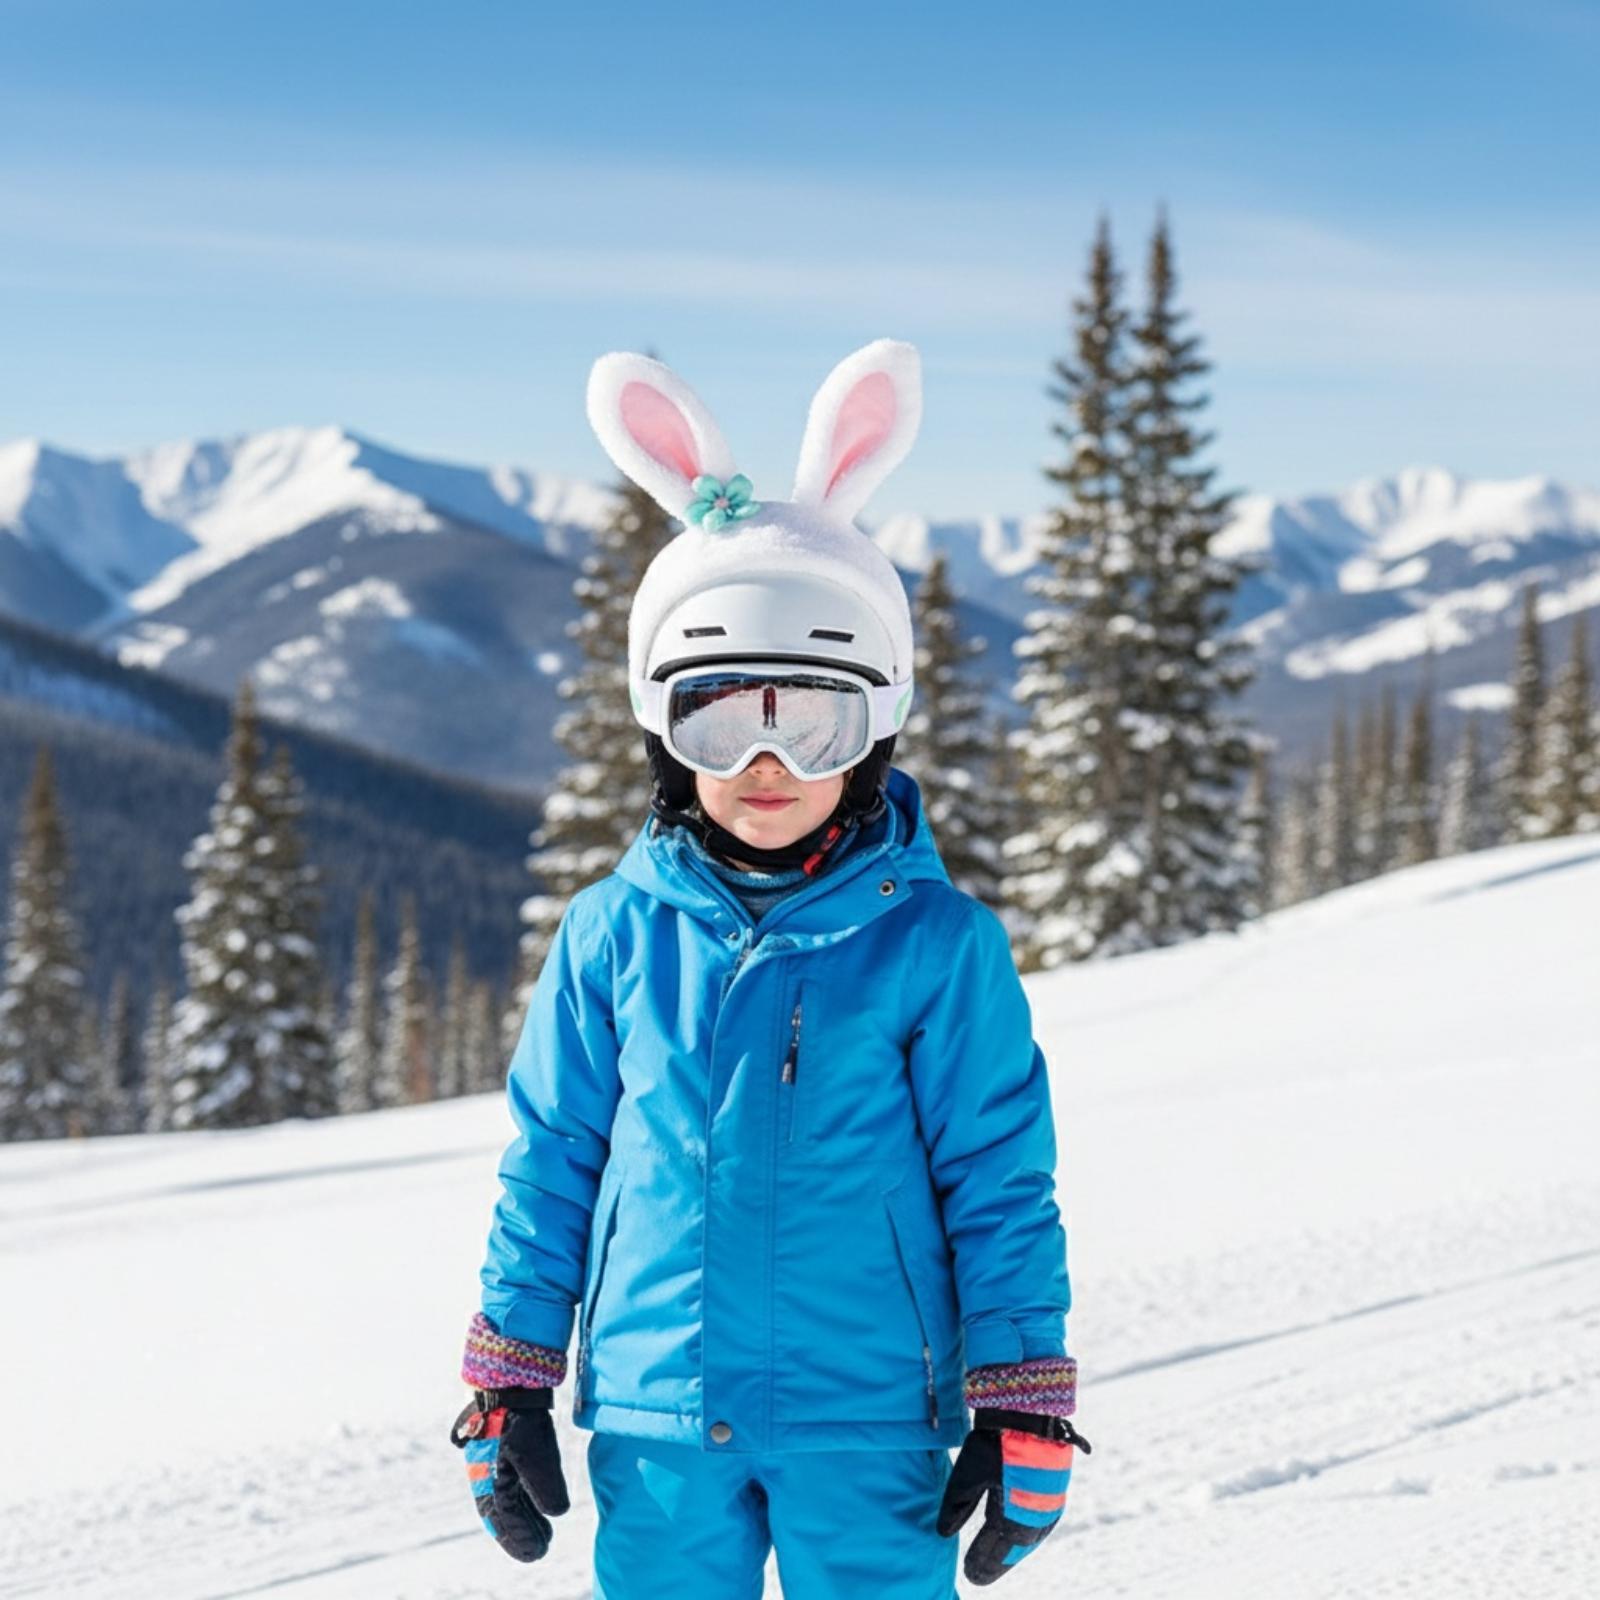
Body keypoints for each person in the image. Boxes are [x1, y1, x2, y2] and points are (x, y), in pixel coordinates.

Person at [450, 341, 1087, 1597]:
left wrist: (1024, 1390)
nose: (767, 765)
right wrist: (508, 1367)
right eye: (723, 715)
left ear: (876, 729)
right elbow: (554, 1158)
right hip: (659, 1411)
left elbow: (997, 1177)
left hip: (869, 1416)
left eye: (813, 721)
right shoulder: (611, 933)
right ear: (663, 728)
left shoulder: (937, 945)